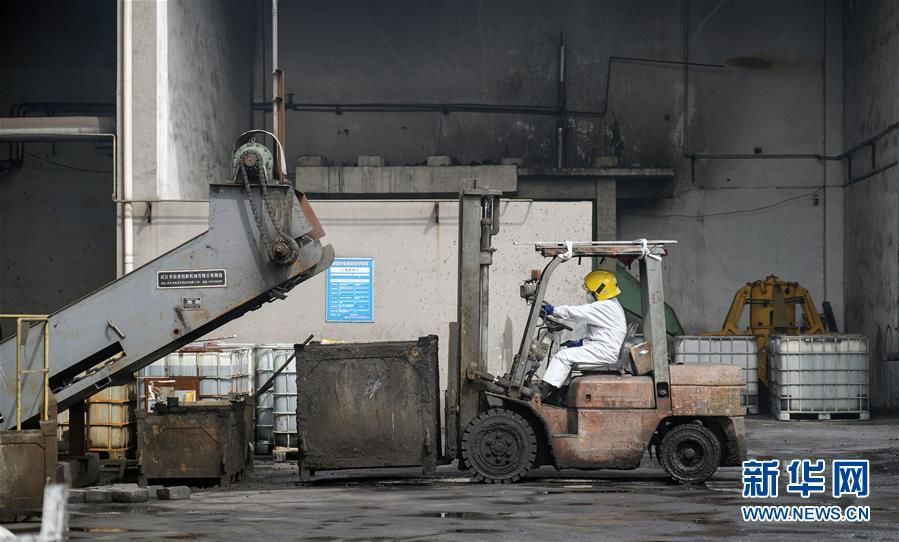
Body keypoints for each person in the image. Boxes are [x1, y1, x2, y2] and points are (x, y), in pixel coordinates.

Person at [536, 269, 627, 403]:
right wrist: (581, 343)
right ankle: (558, 396)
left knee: (563, 357)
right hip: (605, 348)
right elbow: (603, 334)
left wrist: (552, 310)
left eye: (589, 291)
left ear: (599, 291)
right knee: (566, 355)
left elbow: (576, 313)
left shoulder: (605, 306)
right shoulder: (612, 305)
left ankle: (542, 392)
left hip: (606, 352)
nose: (587, 294)